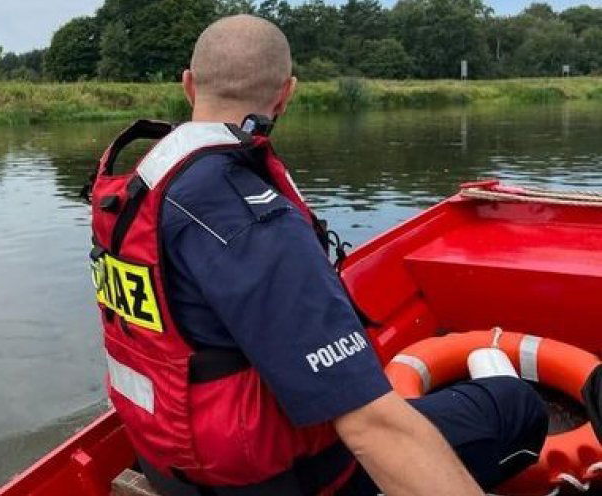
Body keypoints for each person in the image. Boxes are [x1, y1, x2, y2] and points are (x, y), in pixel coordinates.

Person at [87, 14, 548, 496]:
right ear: (286, 93)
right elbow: (372, 428)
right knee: (514, 406)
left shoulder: (139, 189)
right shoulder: (252, 220)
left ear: (188, 85)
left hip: (171, 466)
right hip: (287, 481)